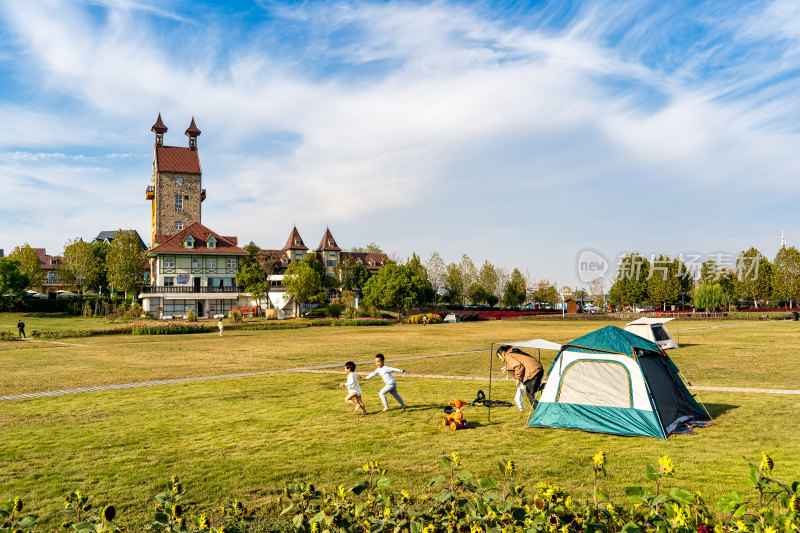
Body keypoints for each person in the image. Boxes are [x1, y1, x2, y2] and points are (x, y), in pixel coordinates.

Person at [497, 345, 543, 412]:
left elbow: (518, 366)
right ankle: (547, 385)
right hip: (538, 370)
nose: (499, 358)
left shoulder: (508, 356)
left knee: (529, 394)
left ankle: (539, 412)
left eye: (499, 356)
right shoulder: (515, 353)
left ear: (503, 353)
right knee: (534, 388)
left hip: (532, 372)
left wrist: (517, 379)